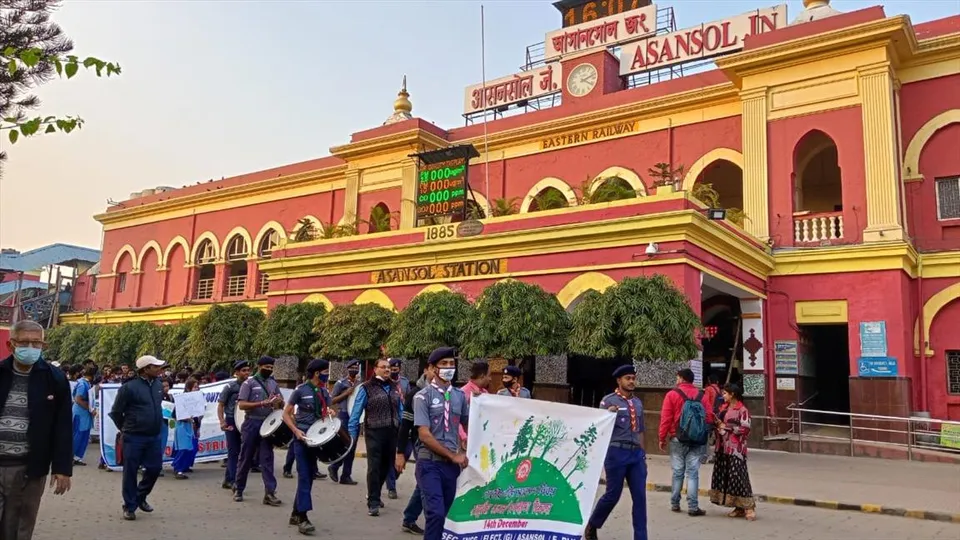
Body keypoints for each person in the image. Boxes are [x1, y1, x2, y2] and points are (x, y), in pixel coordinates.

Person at [0, 320, 72, 539]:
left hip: (29, 467)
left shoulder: (54, 378)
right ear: (11, 345)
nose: (30, 348)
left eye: (36, 343)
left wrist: (62, 468)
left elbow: (63, 425)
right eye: (24, 342)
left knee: (19, 526)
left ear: (43, 346)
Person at [585, 365, 647, 540]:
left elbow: (641, 429)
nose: (631, 381)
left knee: (640, 498)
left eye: (633, 378)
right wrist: (607, 415)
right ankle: (593, 524)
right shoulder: (608, 401)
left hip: (636, 455)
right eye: (628, 378)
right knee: (613, 495)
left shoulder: (638, 403)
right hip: (616, 452)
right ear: (619, 380)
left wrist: (643, 454)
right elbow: (600, 426)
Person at [413, 347, 469, 540]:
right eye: (443, 364)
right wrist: (453, 454)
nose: (448, 367)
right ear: (432, 368)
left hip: (451, 468)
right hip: (429, 464)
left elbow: (469, 424)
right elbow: (424, 435)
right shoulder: (422, 397)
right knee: (435, 513)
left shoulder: (459, 396)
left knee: (445, 515)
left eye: (451, 364)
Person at [109, 355, 167, 521]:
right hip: (133, 437)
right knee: (130, 472)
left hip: (154, 436)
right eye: (156, 367)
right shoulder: (129, 388)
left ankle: (140, 496)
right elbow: (116, 412)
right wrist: (126, 428)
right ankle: (129, 506)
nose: (159, 369)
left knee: (155, 469)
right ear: (145, 369)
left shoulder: (157, 385)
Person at [283, 359, 332, 535]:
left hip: (316, 440)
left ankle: (295, 512)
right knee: (304, 476)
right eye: (326, 371)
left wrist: (330, 412)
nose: (328, 374)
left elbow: (327, 411)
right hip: (302, 439)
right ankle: (303, 518)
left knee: (310, 477)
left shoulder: (324, 391)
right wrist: (295, 430)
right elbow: (286, 414)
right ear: (317, 373)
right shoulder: (300, 391)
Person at [348, 358, 401, 517]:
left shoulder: (393, 387)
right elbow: (356, 411)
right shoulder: (366, 388)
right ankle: (373, 502)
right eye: (383, 367)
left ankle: (375, 492)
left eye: (389, 367)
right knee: (374, 466)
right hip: (374, 432)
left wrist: (404, 428)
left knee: (387, 466)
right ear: (375, 369)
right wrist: (352, 433)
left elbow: (400, 408)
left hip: (392, 432)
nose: (387, 370)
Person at [658, 368, 715, 516]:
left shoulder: (672, 394)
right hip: (697, 440)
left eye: (677, 377)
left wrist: (662, 437)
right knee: (693, 473)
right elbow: (709, 417)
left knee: (678, 472)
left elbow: (666, 418)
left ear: (681, 378)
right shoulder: (702, 395)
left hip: (677, 438)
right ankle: (693, 507)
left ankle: (675, 503)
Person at [233, 356, 284, 505]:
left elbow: (281, 403)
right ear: (259, 366)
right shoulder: (249, 383)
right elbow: (242, 405)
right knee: (246, 457)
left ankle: (270, 493)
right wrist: (262, 403)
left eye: (271, 367)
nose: (269, 370)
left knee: (267, 459)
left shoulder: (273, 383)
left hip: (268, 424)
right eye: (266, 367)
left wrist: (278, 402)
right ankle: (239, 488)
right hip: (251, 423)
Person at [395, 361, 437, 535]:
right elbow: (405, 425)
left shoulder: (444, 393)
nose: (437, 372)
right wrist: (400, 452)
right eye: (433, 369)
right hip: (420, 442)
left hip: (439, 444)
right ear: (426, 370)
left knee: (423, 483)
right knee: (427, 482)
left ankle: (409, 518)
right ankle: (432, 523)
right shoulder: (415, 393)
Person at [709, 383, 757, 521]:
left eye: (725, 393)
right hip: (722, 447)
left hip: (736, 449)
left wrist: (728, 428)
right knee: (729, 477)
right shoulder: (723, 408)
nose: (723, 396)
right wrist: (717, 424)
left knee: (739, 476)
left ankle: (749, 507)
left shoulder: (742, 410)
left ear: (732, 394)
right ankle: (739, 507)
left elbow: (745, 429)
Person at [218, 360, 251, 490]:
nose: (246, 373)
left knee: (242, 452)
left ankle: (228, 480)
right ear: (236, 373)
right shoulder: (230, 388)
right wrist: (222, 421)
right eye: (243, 371)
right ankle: (233, 481)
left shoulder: (251, 386)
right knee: (233, 452)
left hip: (245, 421)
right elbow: (220, 405)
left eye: (248, 370)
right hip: (231, 421)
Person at [328, 359, 360, 485]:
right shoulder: (340, 383)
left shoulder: (359, 384)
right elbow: (332, 400)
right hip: (344, 415)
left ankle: (346, 475)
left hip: (356, 416)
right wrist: (346, 393)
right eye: (353, 368)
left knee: (352, 446)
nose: (355, 370)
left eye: (357, 368)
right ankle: (335, 467)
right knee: (345, 444)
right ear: (348, 369)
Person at [385, 358, 411, 499]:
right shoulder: (385, 383)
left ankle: (391, 477)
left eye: (396, 369)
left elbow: (409, 399)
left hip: (405, 422)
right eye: (392, 369)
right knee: (391, 456)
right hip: (391, 422)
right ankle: (391, 487)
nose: (394, 372)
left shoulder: (405, 382)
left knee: (406, 452)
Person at [172, 377, 201, 479]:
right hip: (182, 426)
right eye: (195, 387)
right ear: (188, 388)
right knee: (183, 448)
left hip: (191, 426)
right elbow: (174, 414)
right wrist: (186, 417)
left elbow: (197, 416)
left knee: (190, 448)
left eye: (198, 387)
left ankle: (183, 466)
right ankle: (177, 468)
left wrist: (197, 428)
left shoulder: (197, 400)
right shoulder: (182, 399)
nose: (197, 389)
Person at [458, 361, 490, 445]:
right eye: (489, 375)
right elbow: (456, 419)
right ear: (482, 376)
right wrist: (464, 437)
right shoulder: (462, 393)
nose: (490, 379)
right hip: (467, 443)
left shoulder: (485, 393)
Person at [72, 365, 98, 466]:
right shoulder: (83, 384)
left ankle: (78, 457)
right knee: (78, 435)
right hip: (80, 413)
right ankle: (71, 456)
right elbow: (78, 399)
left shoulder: (86, 383)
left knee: (84, 435)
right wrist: (90, 409)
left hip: (85, 413)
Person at [702, 374, 723, 464]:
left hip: (710, 416)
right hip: (718, 416)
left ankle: (705, 456)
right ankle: (717, 455)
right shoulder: (720, 390)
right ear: (717, 382)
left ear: (709, 381)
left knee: (705, 437)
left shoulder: (708, 389)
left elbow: (706, 403)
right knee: (719, 437)